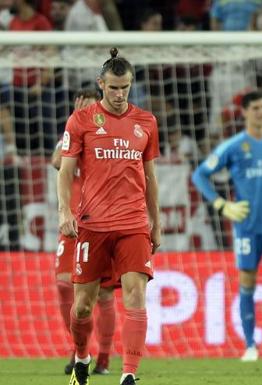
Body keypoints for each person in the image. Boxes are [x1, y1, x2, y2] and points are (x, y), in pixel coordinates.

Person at [58, 48, 161, 385]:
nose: (119, 95)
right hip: (92, 225)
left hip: (132, 224)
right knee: (83, 306)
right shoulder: (81, 121)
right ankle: (82, 355)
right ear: (101, 84)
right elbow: (65, 170)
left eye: (125, 88)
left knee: (135, 295)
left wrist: (155, 223)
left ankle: (128, 374)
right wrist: (64, 210)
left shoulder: (146, 122)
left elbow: (150, 177)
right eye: (114, 88)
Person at [192, 90, 262, 362]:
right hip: (246, 226)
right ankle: (250, 345)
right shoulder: (234, 146)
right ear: (244, 112)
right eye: (255, 107)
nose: (260, 112)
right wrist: (222, 205)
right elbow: (200, 175)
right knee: (247, 282)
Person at [51, 89, 116, 376]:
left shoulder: (112, 135)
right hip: (73, 223)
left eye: (92, 108)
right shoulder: (74, 131)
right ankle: (80, 350)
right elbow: (57, 162)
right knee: (66, 285)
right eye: (83, 108)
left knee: (102, 295)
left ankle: (103, 358)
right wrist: (73, 120)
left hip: (102, 221)